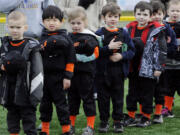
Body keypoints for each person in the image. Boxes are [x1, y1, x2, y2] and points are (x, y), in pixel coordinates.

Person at [124, 1, 167, 127]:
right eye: (139, 14)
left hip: (148, 68)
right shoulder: (129, 28)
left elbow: (162, 50)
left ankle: (146, 117)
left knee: (147, 93)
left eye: (145, 14)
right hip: (133, 67)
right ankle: (131, 115)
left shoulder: (156, 30)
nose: (141, 17)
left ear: (150, 16)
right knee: (132, 93)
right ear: (134, 14)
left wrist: (159, 67)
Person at [0, 11, 43, 135]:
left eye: (18, 27)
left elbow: (38, 72)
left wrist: (35, 95)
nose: (15, 30)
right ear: (7, 27)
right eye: (12, 27)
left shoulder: (31, 47)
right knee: (12, 122)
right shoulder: (5, 45)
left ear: (25, 28)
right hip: (9, 91)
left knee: (29, 123)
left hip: (26, 92)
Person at [95, 2, 135, 133]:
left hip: (118, 72)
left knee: (118, 99)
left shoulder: (124, 33)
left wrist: (122, 56)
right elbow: (94, 53)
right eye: (110, 16)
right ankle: (104, 121)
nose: (113, 19)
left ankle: (118, 122)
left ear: (119, 18)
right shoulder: (99, 34)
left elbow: (132, 51)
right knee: (103, 99)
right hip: (102, 73)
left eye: (116, 16)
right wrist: (108, 49)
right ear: (103, 18)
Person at [38, 5, 76, 135]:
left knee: (61, 105)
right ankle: (44, 130)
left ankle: (66, 130)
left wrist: (67, 77)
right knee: (44, 105)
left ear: (61, 21)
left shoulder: (66, 38)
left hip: (60, 78)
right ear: (43, 22)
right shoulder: (41, 37)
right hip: (44, 78)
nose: (51, 23)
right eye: (48, 20)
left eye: (55, 20)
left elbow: (71, 59)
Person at [67, 6, 99, 135]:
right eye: (73, 23)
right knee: (72, 100)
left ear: (84, 23)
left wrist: (81, 55)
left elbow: (96, 53)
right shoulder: (68, 37)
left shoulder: (90, 36)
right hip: (71, 74)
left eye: (78, 23)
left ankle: (90, 126)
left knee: (88, 99)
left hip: (86, 74)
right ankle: (71, 125)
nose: (75, 26)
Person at [150, 0, 177, 124]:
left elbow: (171, 45)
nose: (156, 16)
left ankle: (162, 108)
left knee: (165, 86)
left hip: (169, 63)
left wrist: (167, 52)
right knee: (160, 87)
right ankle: (161, 108)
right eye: (173, 10)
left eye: (159, 13)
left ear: (163, 13)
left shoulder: (167, 29)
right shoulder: (149, 27)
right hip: (154, 65)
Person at [161, 0, 180, 118]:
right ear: (167, 12)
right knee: (168, 87)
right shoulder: (163, 25)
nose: (175, 13)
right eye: (173, 10)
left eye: (178, 11)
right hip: (167, 63)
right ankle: (167, 108)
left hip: (179, 63)